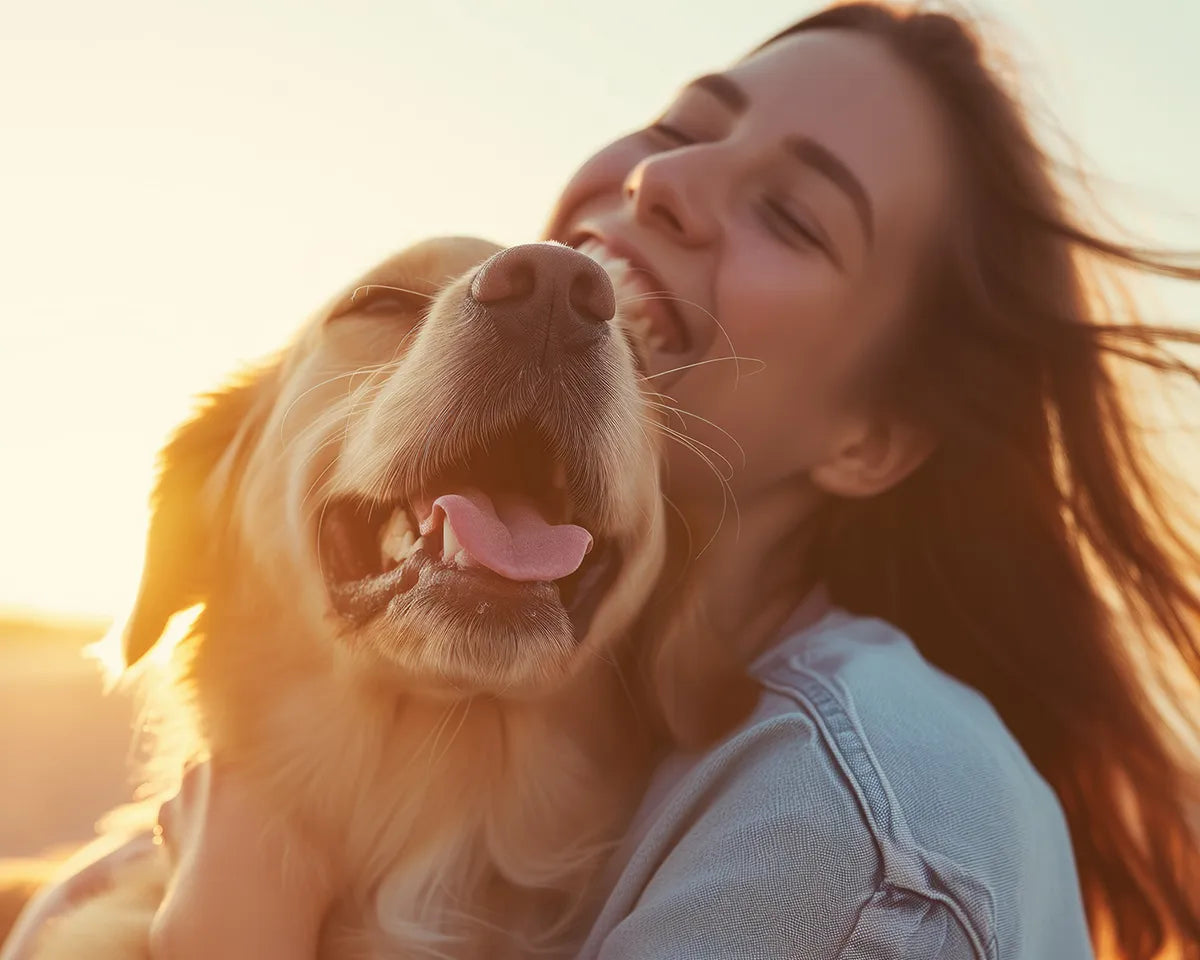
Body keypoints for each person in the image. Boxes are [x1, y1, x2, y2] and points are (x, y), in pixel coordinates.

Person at [6, 3, 1199, 958]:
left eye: (791, 213)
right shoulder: (155, 870)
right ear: (207, 508)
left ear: (873, 437)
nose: (659, 188)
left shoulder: (843, 834)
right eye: (677, 133)